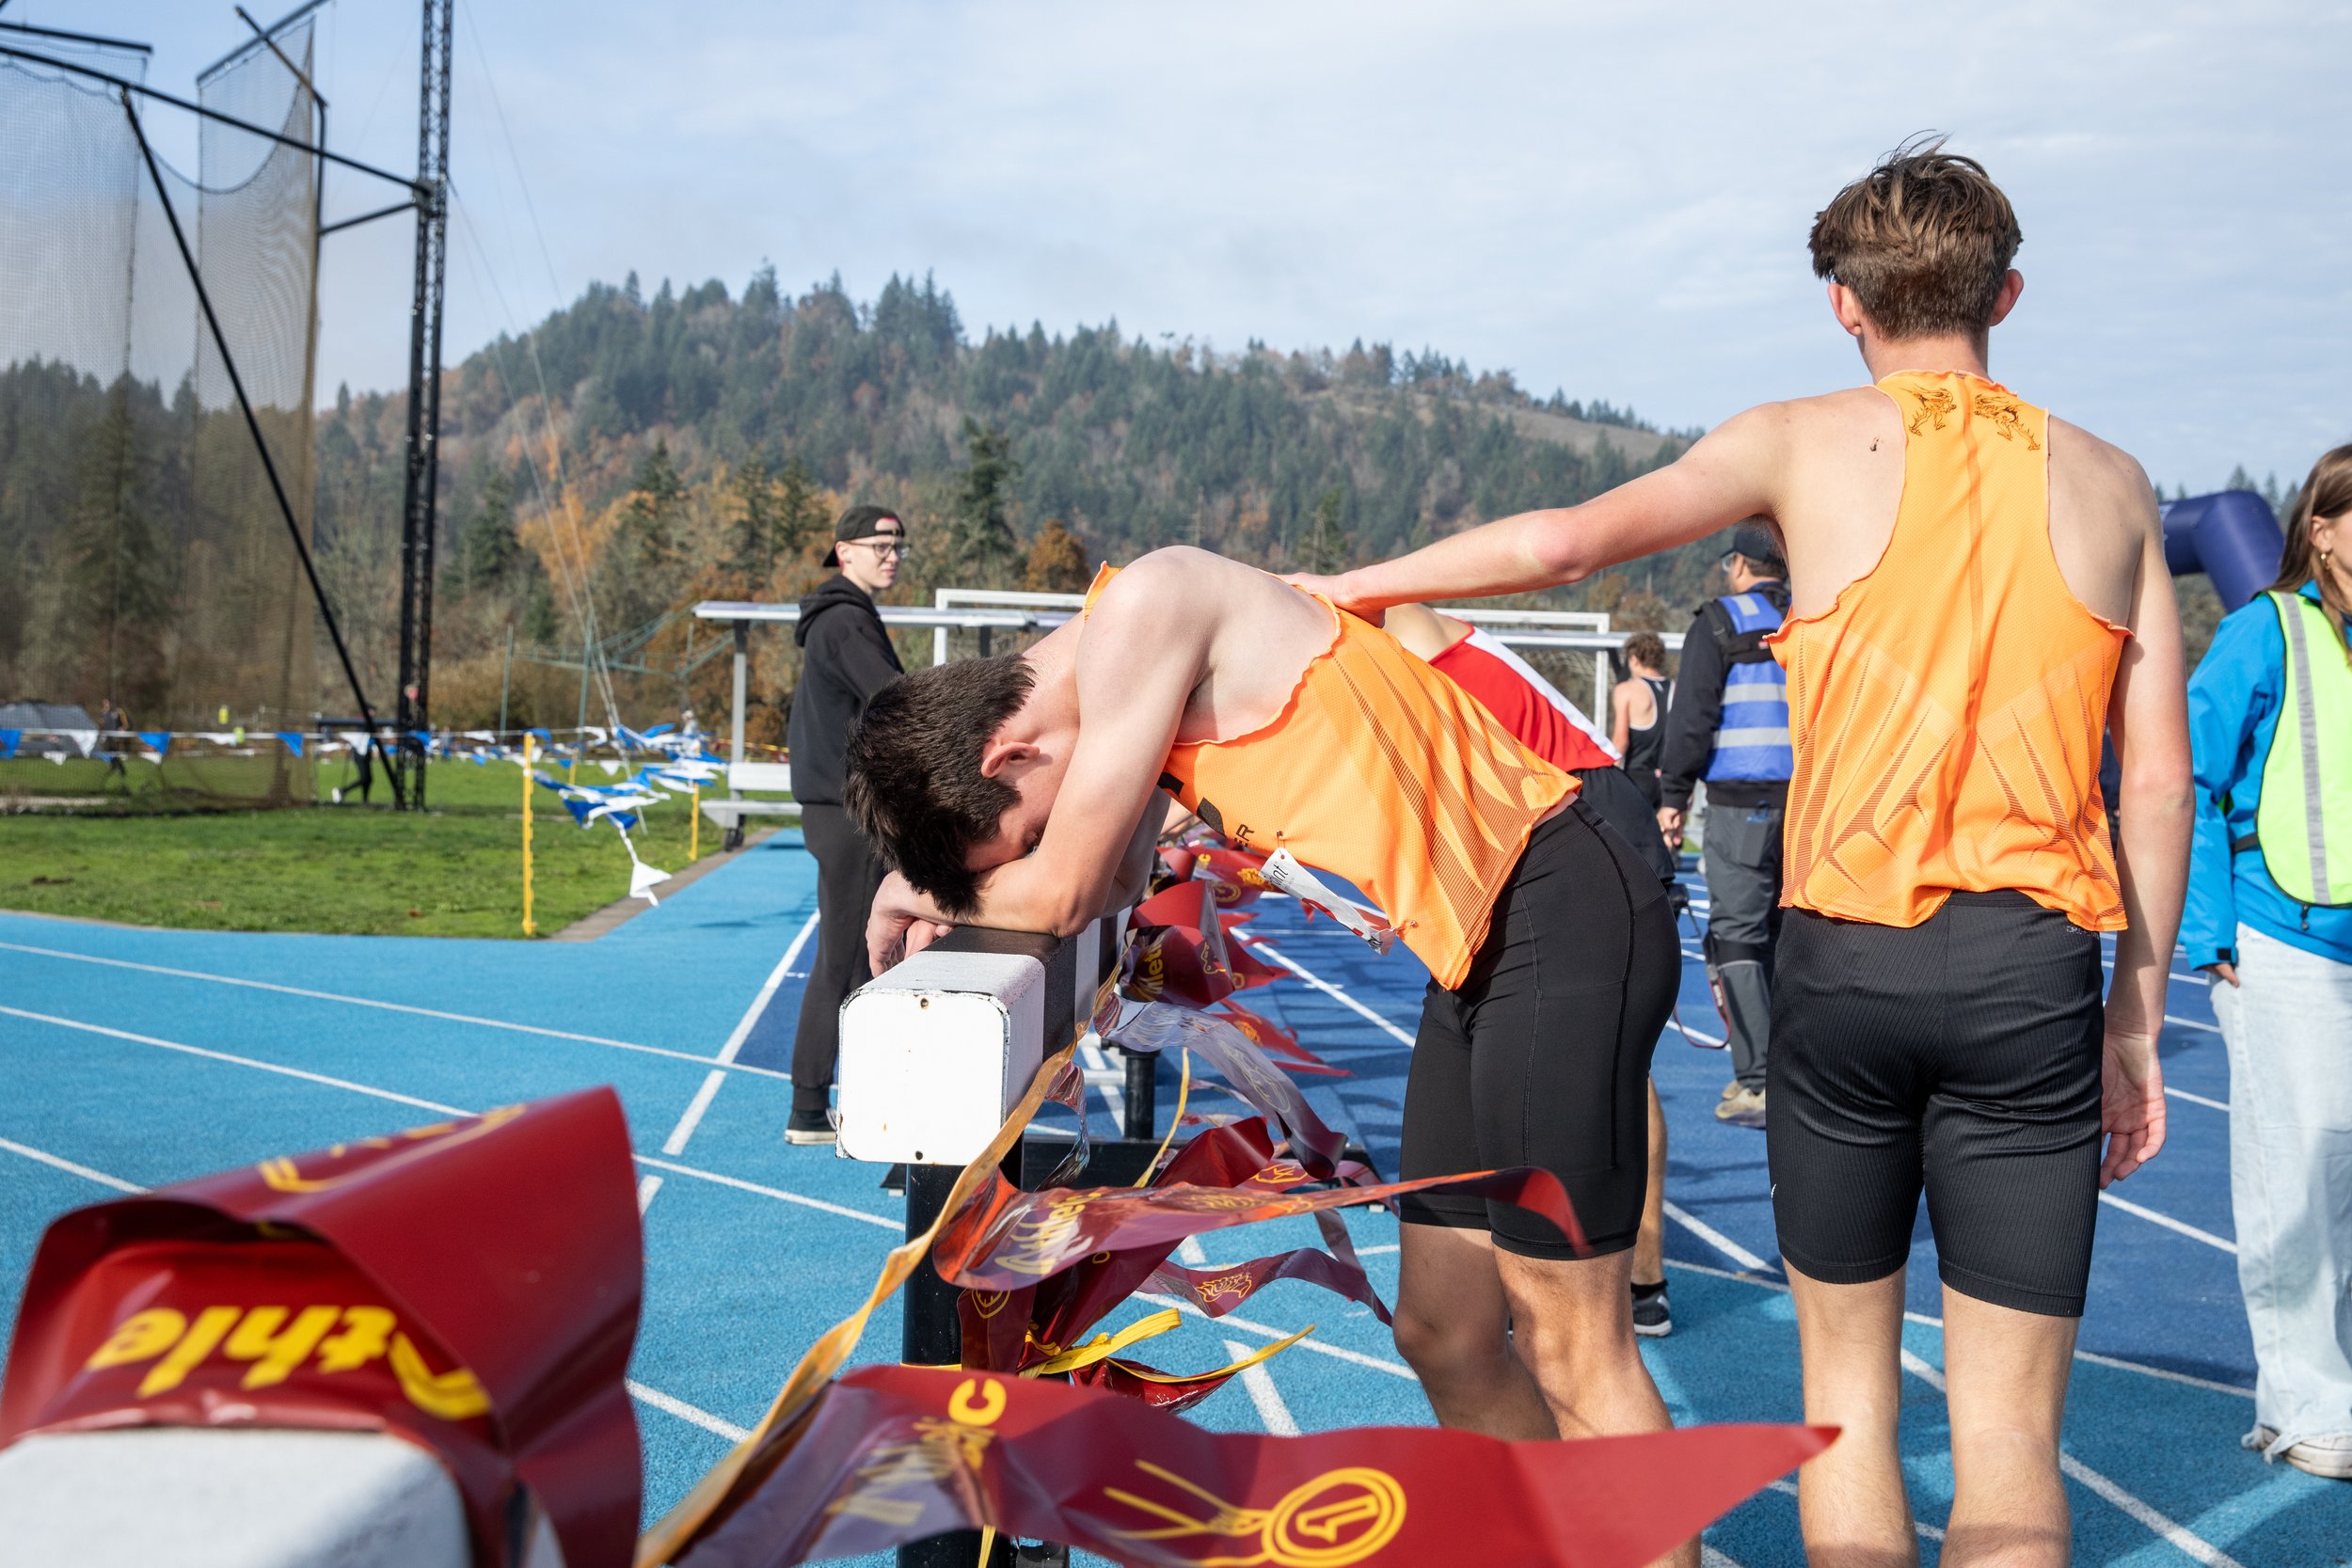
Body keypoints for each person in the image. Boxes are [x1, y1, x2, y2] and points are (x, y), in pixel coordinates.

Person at [1291, 139, 2191, 1566]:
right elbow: (2155, 779)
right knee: (2014, 1447)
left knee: (1843, 1401)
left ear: (1847, 303)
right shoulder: (2115, 483)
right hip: (2031, 969)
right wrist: (2132, 1018)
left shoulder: (1796, 437)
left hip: (1843, 960)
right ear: (2008, 293)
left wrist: (1350, 585)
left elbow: (1569, 541)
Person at [849, 549, 1691, 1564]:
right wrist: (968, 874)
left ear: (1005, 756)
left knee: (1570, 1341)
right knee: (1443, 1330)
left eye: (1020, 833)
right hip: (1474, 946)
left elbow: (1067, 890)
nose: (1036, 845)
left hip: (1562, 903)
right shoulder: (1113, 681)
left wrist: (915, 892)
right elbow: (1115, 874)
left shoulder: (1146, 607)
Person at [1385, 602, 1679, 1337]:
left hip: (1585, 805)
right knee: (1509, 1042)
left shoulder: (1391, 624)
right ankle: (1549, 1266)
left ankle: (1642, 1273)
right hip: (1529, 820)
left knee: (1611, 1064)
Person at [2185, 444, 2352, 1481]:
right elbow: (2191, 775)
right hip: (2281, 947)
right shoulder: (2263, 630)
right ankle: (2306, 1405)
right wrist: (2210, 933)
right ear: (2322, 529)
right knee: (2298, 1180)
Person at [1656, 523, 1792, 1129]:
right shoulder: (1817, 614)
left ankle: (1760, 1081)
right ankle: (1809, 1075)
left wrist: (1673, 796)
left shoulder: (1719, 622)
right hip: (1814, 800)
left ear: (1740, 564)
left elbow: (1691, 719)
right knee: (1797, 933)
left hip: (1741, 803)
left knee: (1737, 935)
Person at [782, 504, 910, 1145]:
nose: (891, 553)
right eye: (879, 543)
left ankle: (822, 1104)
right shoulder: (844, 622)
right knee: (851, 959)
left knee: (850, 959)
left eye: (898, 545)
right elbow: (896, 699)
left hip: (840, 811)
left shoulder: (843, 617)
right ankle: (815, 1105)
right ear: (844, 551)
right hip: (848, 815)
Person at [1611, 632, 1672, 807]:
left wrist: (1610, 776)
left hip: (1637, 779)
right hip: (1669, 781)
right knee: (1666, 834)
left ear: (1634, 659)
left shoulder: (1628, 689)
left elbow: (1620, 741)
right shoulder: (1678, 690)